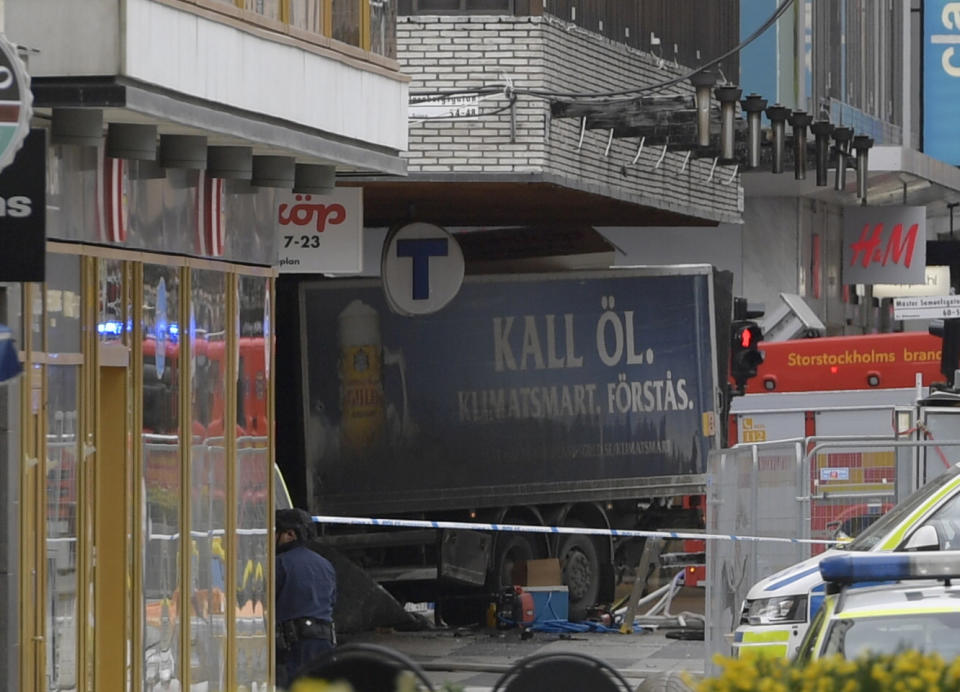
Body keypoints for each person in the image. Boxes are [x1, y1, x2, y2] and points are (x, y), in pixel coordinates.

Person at [276, 508, 338, 689]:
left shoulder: (279, 564)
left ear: (289, 534)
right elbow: (332, 601)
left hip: (293, 647)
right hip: (324, 643)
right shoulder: (325, 564)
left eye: (274, 532)